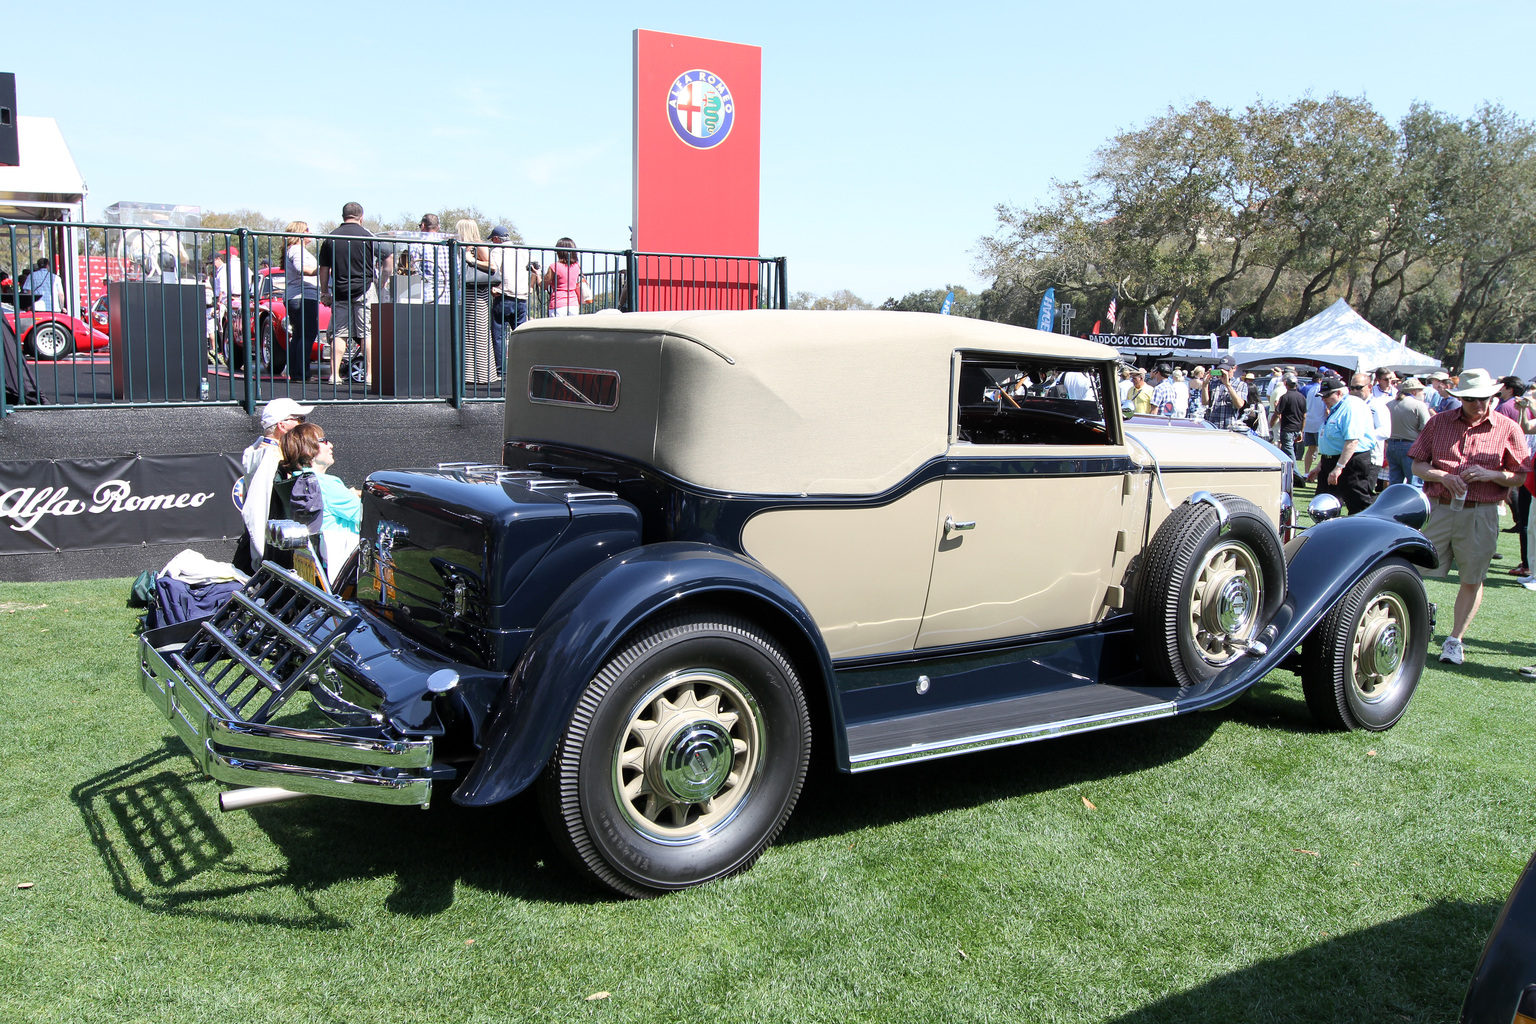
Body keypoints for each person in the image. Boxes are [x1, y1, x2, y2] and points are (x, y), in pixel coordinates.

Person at [1408, 368, 1532, 666]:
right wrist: (1442, 475)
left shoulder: (1507, 427)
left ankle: (1454, 641)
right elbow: (1418, 466)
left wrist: (1491, 474)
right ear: (1460, 397)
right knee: (1414, 569)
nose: (1480, 404)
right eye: (1472, 399)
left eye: (1485, 398)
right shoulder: (1438, 423)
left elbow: (1519, 476)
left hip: (1481, 513)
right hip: (1439, 508)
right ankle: (1409, 626)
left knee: (1472, 578)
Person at [232, 397, 313, 573]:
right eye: (299, 420)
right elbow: (257, 509)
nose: (302, 425)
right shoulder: (272, 458)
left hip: (268, 543)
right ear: (281, 425)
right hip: (274, 547)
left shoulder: (260, 452)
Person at [278, 421, 362, 586]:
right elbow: (366, 516)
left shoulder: (298, 482)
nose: (331, 445)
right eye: (324, 441)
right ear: (309, 450)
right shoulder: (326, 484)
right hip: (346, 570)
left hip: (314, 567)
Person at [318, 202, 377, 385]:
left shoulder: (331, 237)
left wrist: (324, 292)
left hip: (340, 290)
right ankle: (369, 375)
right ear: (361, 217)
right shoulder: (368, 236)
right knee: (366, 332)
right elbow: (386, 258)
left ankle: (334, 375)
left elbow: (324, 269)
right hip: (364, 288)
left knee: (339, 333)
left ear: (343, 216)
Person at [1306, 375, 1378, 514]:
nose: (1323, 399)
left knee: (1358, 504)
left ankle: (1364, 532)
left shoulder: (1351, 406)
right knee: (1323, 505)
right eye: (1322, 396)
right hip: (1333, 461)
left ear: (1339, 393)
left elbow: (1352, 441)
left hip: (1350, 463)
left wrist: (1339, 468)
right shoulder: (1336, 407)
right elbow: (1333, 442)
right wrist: (1321, 466)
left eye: (1327, 395)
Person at [456, 219, 497, 384]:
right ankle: (469, 374)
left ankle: (483, 375)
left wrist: (471, 260)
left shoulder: (478, 245)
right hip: (466, 294)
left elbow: (492, 266)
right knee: (467, 333)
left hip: (477, 294)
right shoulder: (462, 245)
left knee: (478, 333)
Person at [282, 221, 320, 382]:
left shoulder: (293, 250)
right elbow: (301, 268)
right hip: (303, 296)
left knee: (298, 335)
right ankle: (302, 374)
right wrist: (324, 269)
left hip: (296, 296)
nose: (310, 232)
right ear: (300, 233)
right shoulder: (297, 250)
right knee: (307, 335)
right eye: (307, 230)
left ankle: (296, 372)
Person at [488, 225, 527, 376]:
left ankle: (501, 371)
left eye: (493, 240)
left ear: (497, 239)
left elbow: (493, 268)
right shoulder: (522, 250)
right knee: (521, 336)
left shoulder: (498, 251)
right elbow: (535, 268)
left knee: (499, 335)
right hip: (521, 296)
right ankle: (523, 368)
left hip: (503, 296)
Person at [1385, 377, 1432, 488]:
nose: (1423, 393)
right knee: (1414, 483)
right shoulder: (1419, 405)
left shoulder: (1389, 404)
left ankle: (1394, 504)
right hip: (1410, 446)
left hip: (1391, 446)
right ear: (1414, 391)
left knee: (1395, 482)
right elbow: (1426, 428)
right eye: (1421, 390)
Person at [1271, 372, 1307, 478]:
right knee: (1288, 452)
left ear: (1286, 384)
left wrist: (1271, 424)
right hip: (1297, 428)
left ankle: (1296, 475)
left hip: (1287, 429)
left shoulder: (1285, 397)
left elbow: (1278, 413)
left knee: (1289, 453)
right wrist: (1301, 431)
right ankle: (1286, 474)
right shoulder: (1302, 397)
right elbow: (1304, 416)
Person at [543, 237, 585, 317]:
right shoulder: (577, 266)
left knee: (557, 329)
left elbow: (543, 286)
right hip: (573, 304)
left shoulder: (554, 267)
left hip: (558, 304)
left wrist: (537, 274)